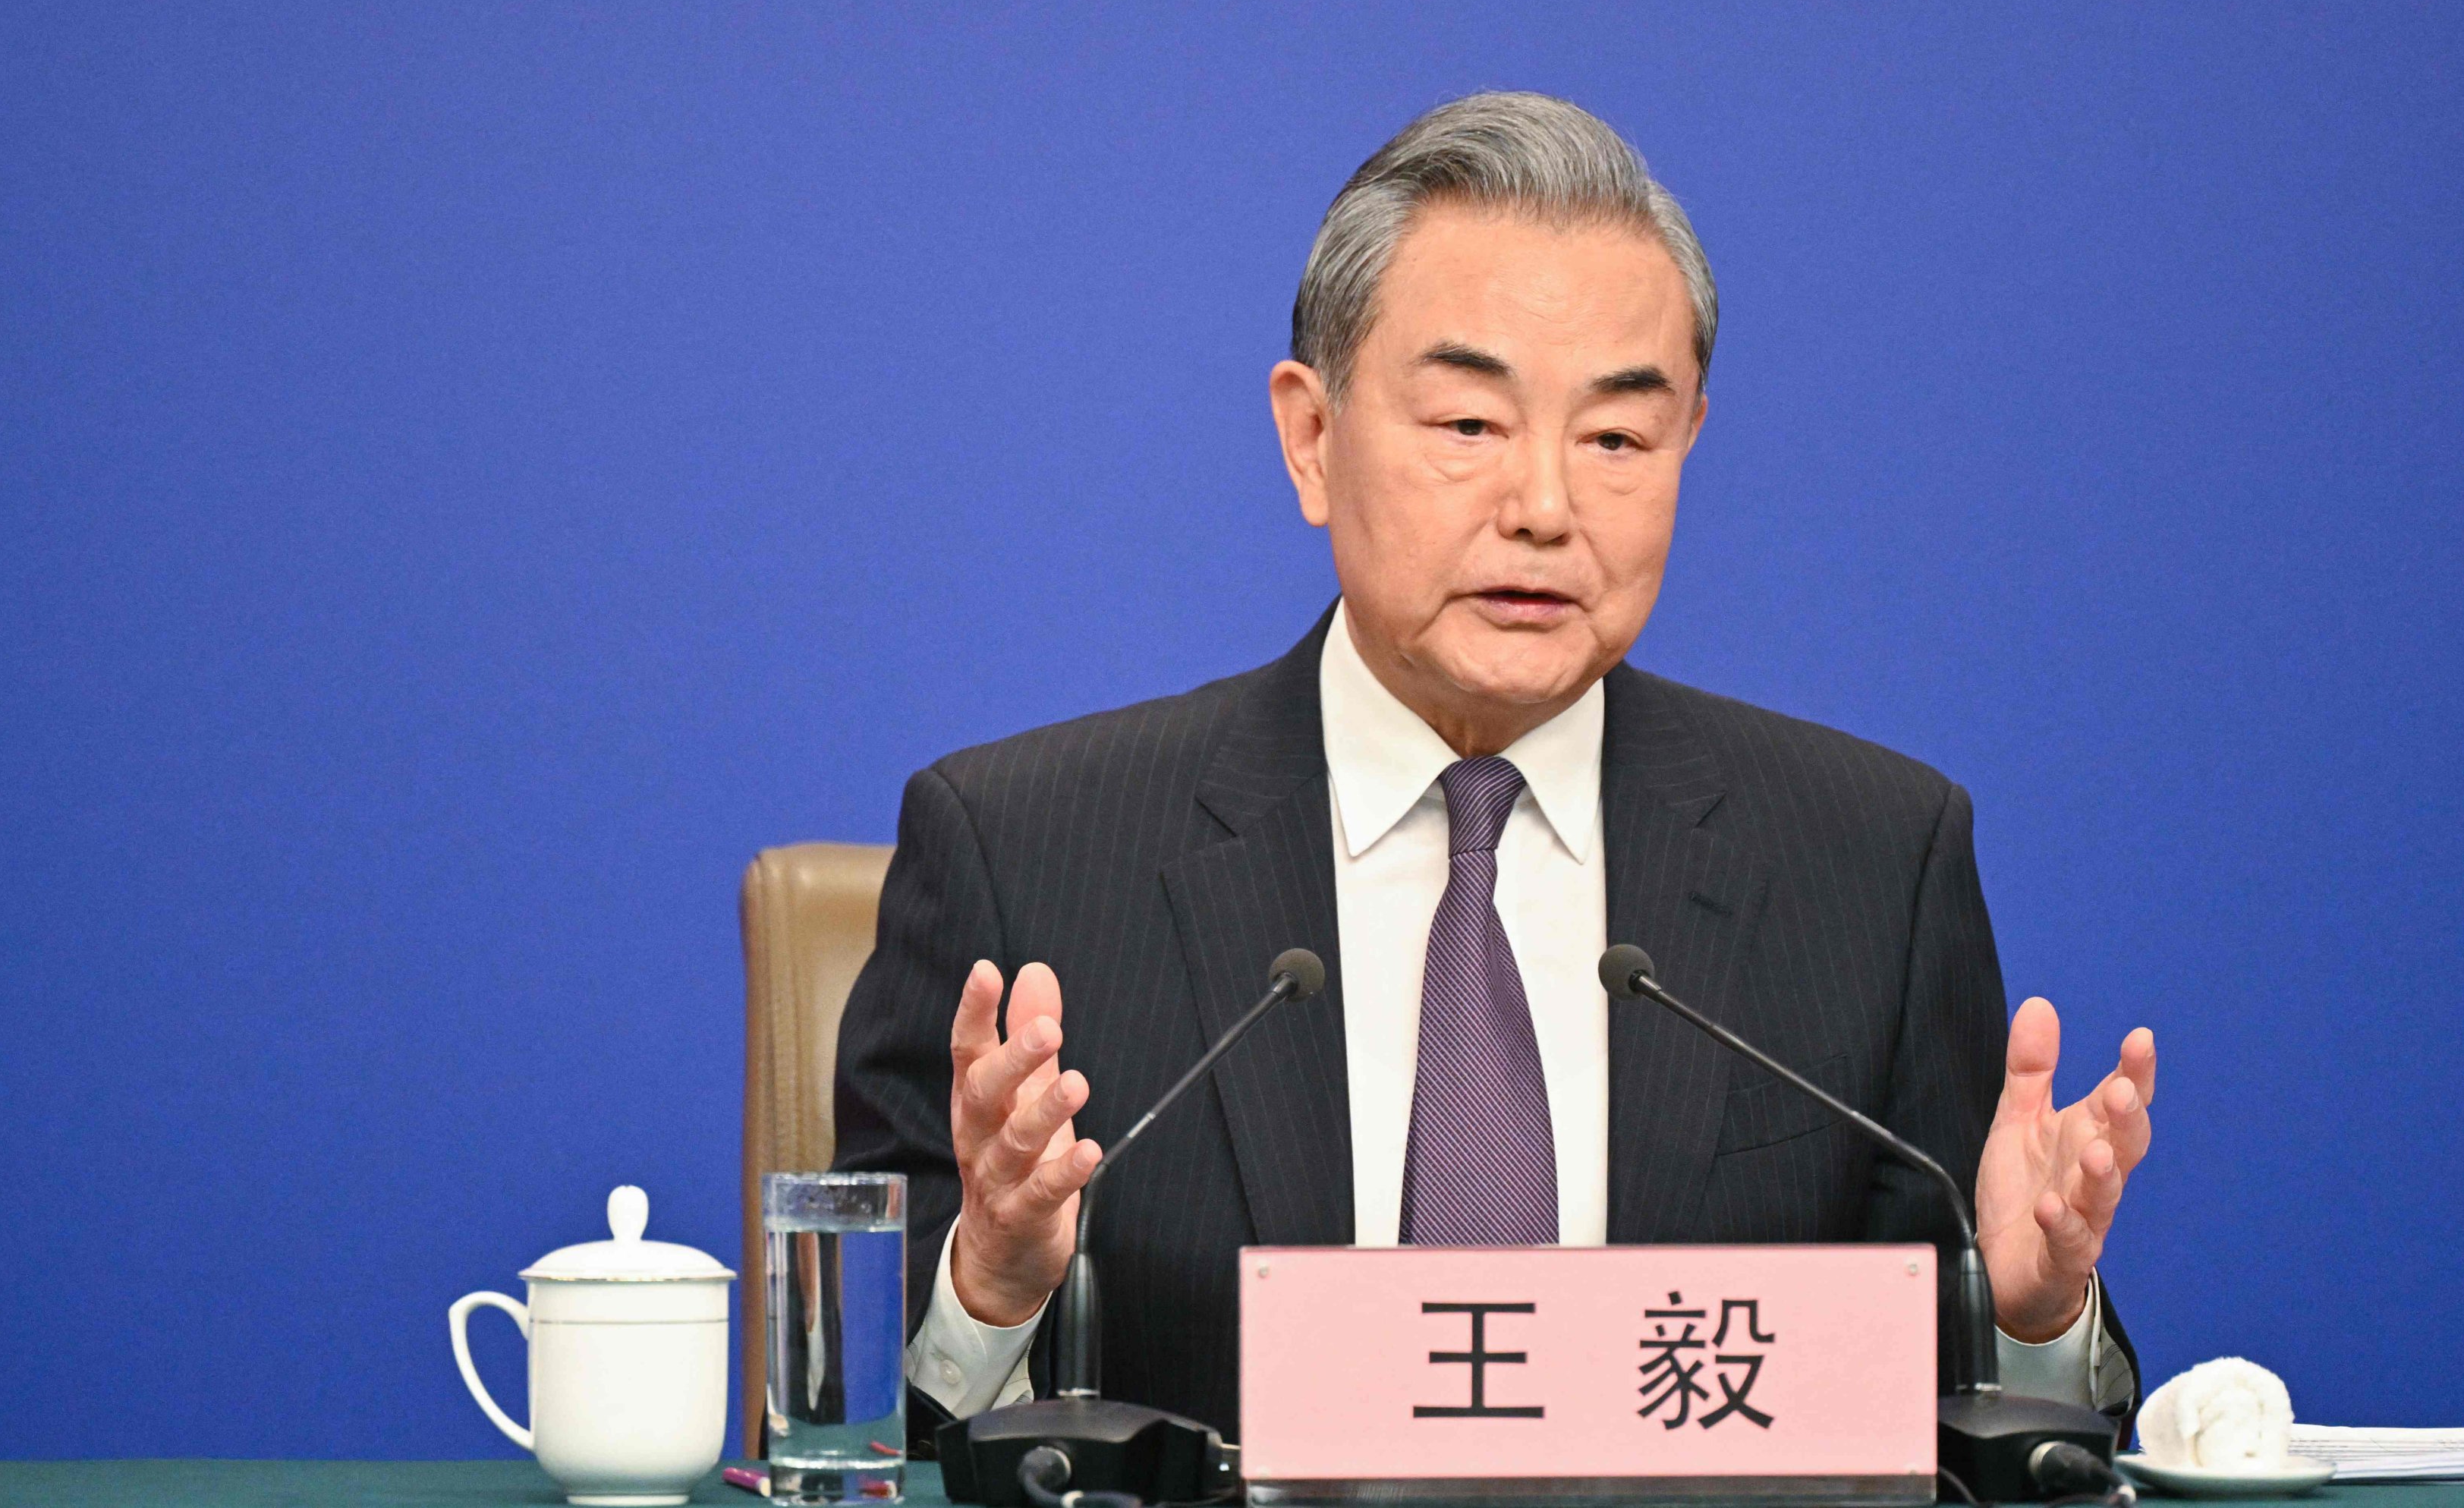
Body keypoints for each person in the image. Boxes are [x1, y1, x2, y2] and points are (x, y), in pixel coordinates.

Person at [832, 92, 2157, 1442]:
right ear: (1312, 436)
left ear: (1690, 441)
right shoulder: (1026, 850)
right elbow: (844, 1433)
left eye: (1618, 438)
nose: (1544, 505)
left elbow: (1953, 1435)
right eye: (1470, 426)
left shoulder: (1873, 863)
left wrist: (2029, 1315)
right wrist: (989, 1283)